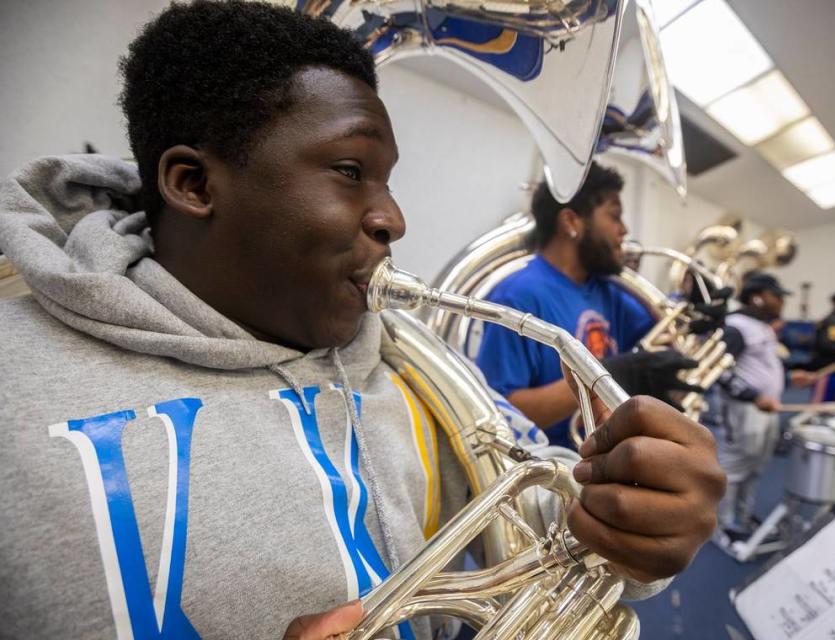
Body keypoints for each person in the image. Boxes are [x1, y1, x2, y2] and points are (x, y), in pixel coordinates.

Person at [0, 2, 726, 638]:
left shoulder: (412, 365)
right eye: (351, 172)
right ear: (193, 183)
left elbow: (554, 519)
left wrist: (639, 518)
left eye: (388, 181)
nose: (395, 219)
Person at [475, 163, 704, 449]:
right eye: (615, 216)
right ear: (571, 222)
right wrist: (604, 376)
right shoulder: (517, 295)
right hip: (554, 469)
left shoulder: (608, 289)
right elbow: (500, 414)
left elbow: (666, 340)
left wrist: (697, 311)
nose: (624, 230)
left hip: (614, 456)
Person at [705, 273, 790, 539]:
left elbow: (760, 365)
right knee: (734, 467)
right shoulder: (735, 326)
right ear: (759, 296)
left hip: (767, 409)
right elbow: (718, 371)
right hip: (744, 410)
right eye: (777, 297)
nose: (781, 303)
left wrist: (793, 374)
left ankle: (742, 514)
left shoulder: (761, 325)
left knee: (757, 466)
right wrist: (754, 396)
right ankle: (721, 526)